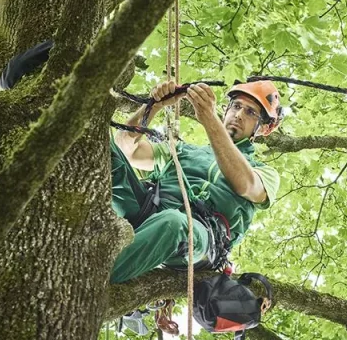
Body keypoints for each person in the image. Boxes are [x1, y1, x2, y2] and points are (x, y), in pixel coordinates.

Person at [109, 80, 283, 284]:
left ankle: (85, 284)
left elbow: (245, 184)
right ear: (226, 110)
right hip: (150, 208)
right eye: (236, 106)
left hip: (200, 237)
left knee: (174, 222)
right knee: (107, 152)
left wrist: (208, 118)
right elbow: (126, 149)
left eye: (250, 113)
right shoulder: (182, 150)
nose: (239, 115)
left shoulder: (263, 172)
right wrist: (153, 105)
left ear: (264, 129)